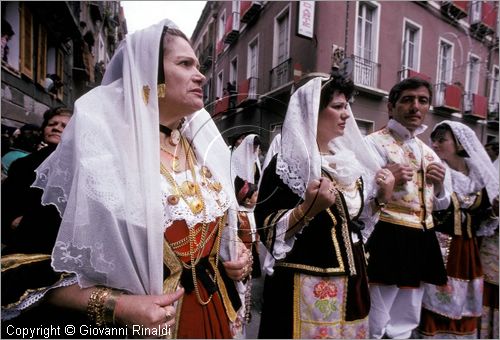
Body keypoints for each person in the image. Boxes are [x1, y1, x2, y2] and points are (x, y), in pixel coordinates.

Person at [1, 19, 251, 338]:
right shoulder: (101, 159)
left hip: (213, 316)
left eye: (198, 65)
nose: (200, 75)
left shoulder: (202, 150)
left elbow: (223, 232)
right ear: (149, 77)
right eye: (185, 63)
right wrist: (117, 307)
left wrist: (235, 257)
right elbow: (21, 267)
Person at [254, 74, 394, 339]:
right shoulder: (288, 165)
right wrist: (307, 209)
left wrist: (381, 199)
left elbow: (355, 223)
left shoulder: (349, 162)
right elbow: (267, 227)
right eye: (337, 107)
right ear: (312, 111)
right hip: (305, 285)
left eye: (346, 107)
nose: (346, 115)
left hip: (353, 280)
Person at [364, 77, 451, 339]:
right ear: (391, 107)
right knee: (376, 314)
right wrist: (384, 180)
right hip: (386, 235)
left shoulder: (428, 152)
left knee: (408, 315)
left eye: (422, 101)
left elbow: (441, 204)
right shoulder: (373, 144)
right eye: (408, 100)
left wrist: (441, 186)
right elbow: (358, 198)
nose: (416, 106)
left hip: (422, 237)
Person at [415, 121, 499, 338]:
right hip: (440, 246)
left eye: (442, 140)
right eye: (434, 139)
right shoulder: (435, 170)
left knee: (465, 306)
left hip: (468, 251)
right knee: (435, 301)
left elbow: (482, 219)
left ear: (459, 143)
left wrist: (493, 212)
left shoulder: (479, 175)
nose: (435, 144)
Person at [1, 107, 72, 249]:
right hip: (21, 243)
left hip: (57, 245)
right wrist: (12, 220)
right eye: (52, 124)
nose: (56, 128)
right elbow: (5, 200)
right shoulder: (22, 164)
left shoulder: (76, 167)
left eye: (64, 126)